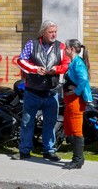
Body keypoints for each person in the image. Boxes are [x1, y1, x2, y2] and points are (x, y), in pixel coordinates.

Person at [12, 20, 70, 161]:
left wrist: (56, 69)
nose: (53, 34)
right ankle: (25, 150)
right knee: (27, 122)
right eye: (50, 32)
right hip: (33, 90)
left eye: (55, 31)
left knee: (50, 123)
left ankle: (49, 150)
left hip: (51, 91)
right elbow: (21, 61)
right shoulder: (32, 44)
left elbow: (66, 63)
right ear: (43, 32)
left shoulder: (61, 47)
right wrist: (35, 69)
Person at [62, 39, 93, 169]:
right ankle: (76, 158)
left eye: (66, 48)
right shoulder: (73, 62)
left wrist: (76, 90)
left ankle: (78, 160)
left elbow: (84, 79)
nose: (64, 50)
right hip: (70, 101)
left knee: (75, 129)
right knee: (69, 128)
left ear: (72, 50)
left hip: (75, 101)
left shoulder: (78, 63)